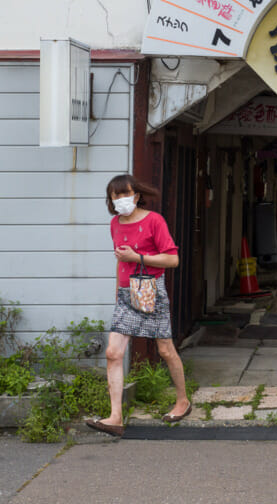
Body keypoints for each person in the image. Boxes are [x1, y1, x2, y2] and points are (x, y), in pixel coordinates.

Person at [84, 174, 192, 437]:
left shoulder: (154, 220)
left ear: (138, 195)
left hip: (150, 291)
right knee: (113, 352)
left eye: (126, 194)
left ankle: (183, 401)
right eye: (116, 196)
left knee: (165, 349)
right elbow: (121, 263)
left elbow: (173, 259)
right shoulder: (115, 223)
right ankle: (115, 417)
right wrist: (117, 292)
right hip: (124, 294)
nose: (122, 200)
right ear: (110, 200)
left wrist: (138, 257)